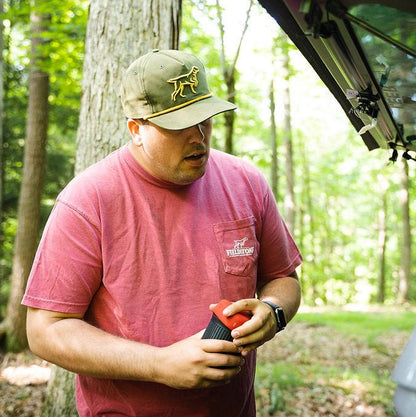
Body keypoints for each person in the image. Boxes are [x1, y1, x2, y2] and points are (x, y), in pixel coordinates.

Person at [23, 49, 302, 417]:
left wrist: (272, 312)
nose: (198, 136)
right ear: (136, 129)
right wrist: (159, 364)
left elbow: (284, 278)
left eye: (204, 118)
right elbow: (45, 329)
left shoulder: (246, 183)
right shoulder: (89, 200)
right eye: (178, 125)